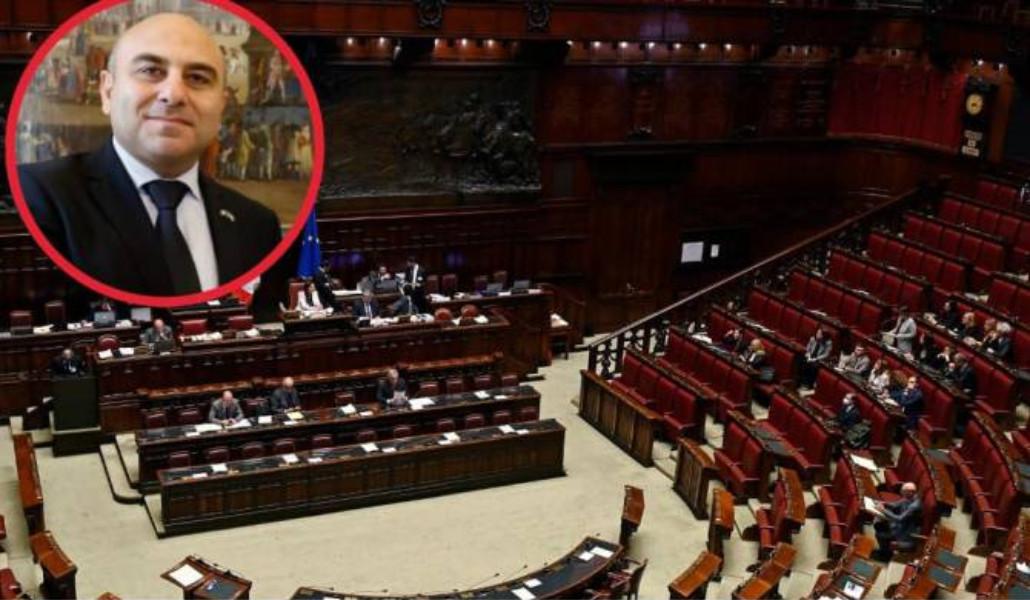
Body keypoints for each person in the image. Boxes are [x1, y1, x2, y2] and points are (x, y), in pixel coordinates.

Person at [17, 13, 282, 296]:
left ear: (221, 106)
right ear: (107, 91)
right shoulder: (37, 197)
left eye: (197, 78)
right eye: (151, 71)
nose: (173, 94)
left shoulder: (258, 225)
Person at [872, 482, 923, 562]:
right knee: (879, 525)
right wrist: (884, 503)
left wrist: (883, 510)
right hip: (900, 527)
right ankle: (884, 552)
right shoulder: (909, 497)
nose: (902, 494)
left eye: (904, 492)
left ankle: (886, 556)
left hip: (905, 535)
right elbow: (895, 505)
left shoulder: (914, 506)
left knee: (881, 534)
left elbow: (899, 519)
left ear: (910, 492)